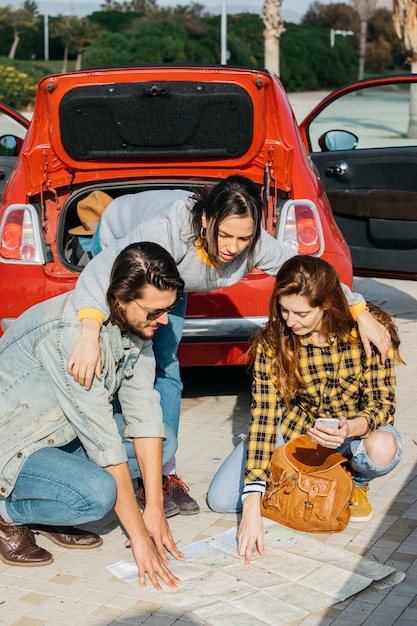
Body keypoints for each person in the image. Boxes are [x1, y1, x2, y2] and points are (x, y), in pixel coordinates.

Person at [66, 175, 392, 516]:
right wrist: (89, 332)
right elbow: (103, 270)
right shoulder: (168, 230)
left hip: (174, 274)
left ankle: (163, 473)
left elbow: (312, 274)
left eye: (243, 238)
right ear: (207, 220)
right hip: (120, 236)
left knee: (165, 364)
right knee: (129, 354)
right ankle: (115, 460)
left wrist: (360, 310)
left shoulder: (252, 242)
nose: (233, 248)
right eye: (225, 235)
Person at [0, 242, 185, 589]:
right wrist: (140, 540)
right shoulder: (73, 337)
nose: (163, 320)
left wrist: (155, 509)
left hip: (58, 432)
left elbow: (143, 411)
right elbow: (103, 443)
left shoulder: (137, 326)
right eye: (153, 312)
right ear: (119, 298)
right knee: (96, 496)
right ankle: (7, 513)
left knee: (164, 439)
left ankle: (52, 501)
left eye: (169, 309)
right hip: (13, 443)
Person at [207, 255, 403, 564]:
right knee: (221, 499)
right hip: (299, 432)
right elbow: (265, 416)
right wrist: (252, 510)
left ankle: (355, 483)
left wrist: (350, 427)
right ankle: (311, 475)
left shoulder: (368, 333)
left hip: (354, 434)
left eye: (300, 313)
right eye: (283, 310)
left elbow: (383, 405)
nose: (289, 321)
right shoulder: (274, 342)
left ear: (326, 304)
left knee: (382, 448)